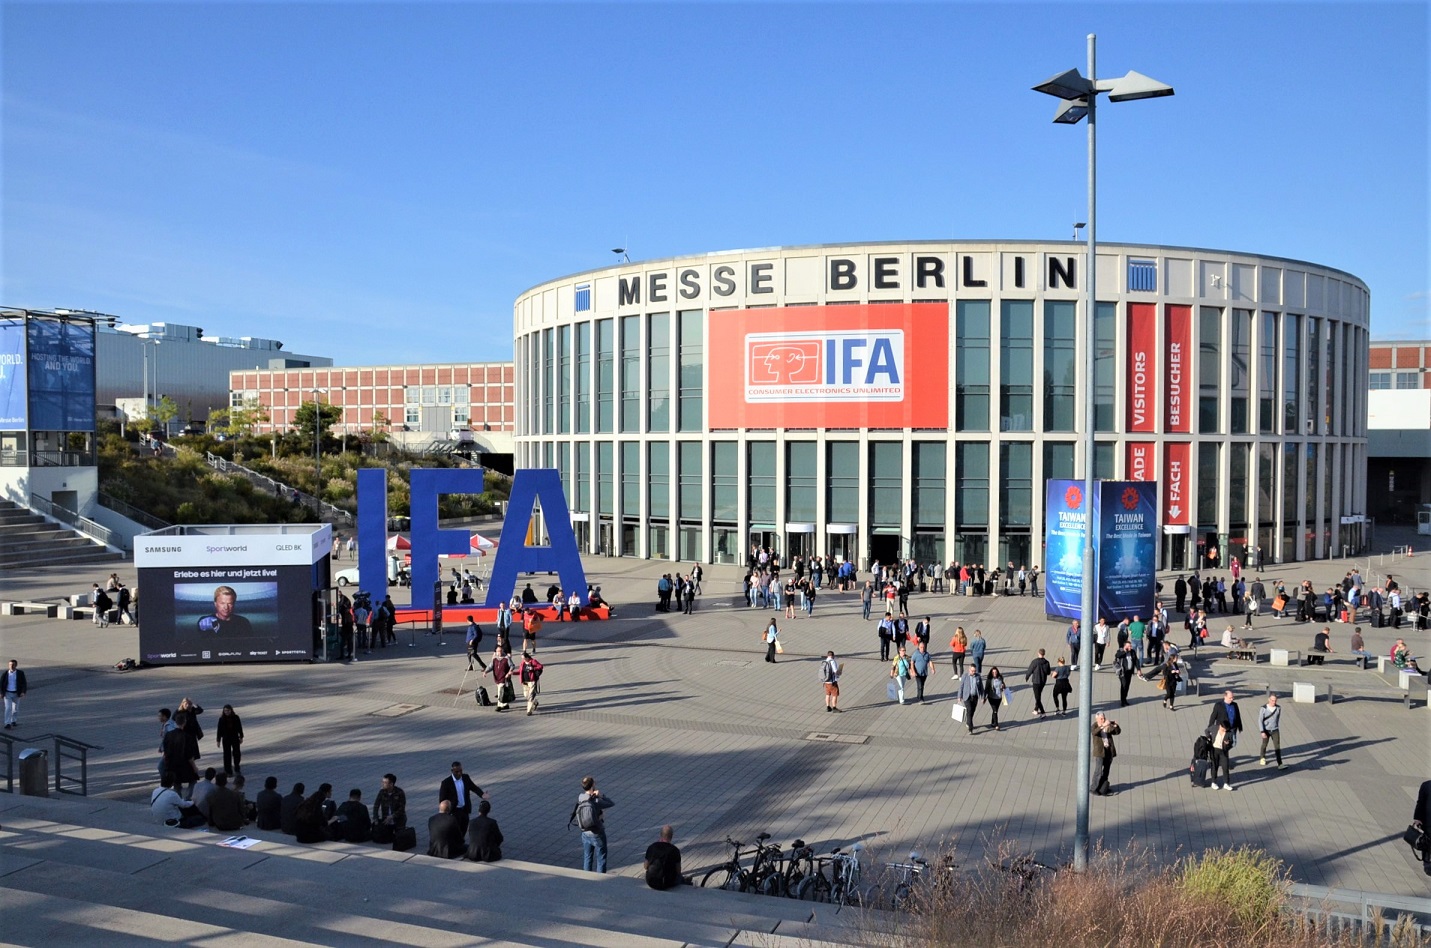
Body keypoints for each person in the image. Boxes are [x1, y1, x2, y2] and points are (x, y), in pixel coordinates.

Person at [573, 775, 616, 873]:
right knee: (601, 858)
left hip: (585, 831)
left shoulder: (580, 797)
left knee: (587, 857)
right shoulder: (596, 800)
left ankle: (586, 877)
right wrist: (600, 796)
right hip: (597, 832)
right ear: (593, 785)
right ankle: (599, 879)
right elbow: (611, 803)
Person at [438, 761, 489, 838]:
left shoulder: (466, 777)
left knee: (464, 828)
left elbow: (474, 787)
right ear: (452, 771)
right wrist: (446, 812)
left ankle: (461, 843)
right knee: (455, 831)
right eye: (457, 772)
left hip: (464, 809)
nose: (459, 773)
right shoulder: (446, 782)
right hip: (454, 811)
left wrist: (482, 794)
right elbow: (442, 799)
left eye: (461, 771)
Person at [1207, 690, 1244, 791]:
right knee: (1217, 761)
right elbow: (1213, 716)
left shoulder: (1235, 705)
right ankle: (1214, 781)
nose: (1232, 699)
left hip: (1232, 729)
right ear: (1225, 697)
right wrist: (1210, 728)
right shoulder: (1219, 705)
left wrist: (1240, 727)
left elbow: (1238, 716)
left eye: (1233, 697)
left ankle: (1226, 782)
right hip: (1221, 730)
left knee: (1233, 743)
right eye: (1230, 697)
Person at [162, 711, 202, 800]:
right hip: (185, 764)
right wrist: (194, 767)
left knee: (176, 783)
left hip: (172, 764)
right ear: (184, 722)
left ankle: (178, 799)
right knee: (193, 780)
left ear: (175, 722)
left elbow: (165, 751)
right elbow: (189, 755)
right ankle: (188, 798)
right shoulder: (187, 736)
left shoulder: (169, 735)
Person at [644, 825, 689, 889]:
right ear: (671, 836)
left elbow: (645, 866)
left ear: (660, 834)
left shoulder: (652, 847)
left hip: (651, 881)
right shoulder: (675, 850)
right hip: (667, 882)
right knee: (680, 877)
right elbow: (678, 870)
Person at [1091, 711, 1121, 796]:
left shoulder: (1107, 726)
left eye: (1104, 718)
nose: (1103, 719)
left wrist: (1115, 726)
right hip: (1100, 752)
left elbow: (1117, 732)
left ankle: (1103, 787)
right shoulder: (1095, 726)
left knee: (1106, 770)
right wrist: (1102, 726)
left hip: (1108, 751)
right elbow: (1094, 732)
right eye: (1101, 718)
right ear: (1097, 719)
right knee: (1098, 771)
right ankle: (1093, 788)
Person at [372, 773, 407, 844]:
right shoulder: (382, 792)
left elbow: (402, 808)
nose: (383, 784)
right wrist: (376, 818)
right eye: (382, 782)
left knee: (399, 839)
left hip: (398, 820)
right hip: (386, 820)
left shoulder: (399, 792)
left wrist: (392, 816)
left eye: (385, 782)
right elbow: (376, 805)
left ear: (391, 784)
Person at [1258, 694, 1286, 770]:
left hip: (1275, 730)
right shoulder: (1263, 708)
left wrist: (1275, 726)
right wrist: (1262, 731)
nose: (1274, 702)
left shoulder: (1278, 708)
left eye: (1275, 700)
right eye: (1272, 700)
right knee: (1264, 744)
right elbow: (1260, 720)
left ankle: (1280, 763)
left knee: (1277, 747)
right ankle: (1262, 758)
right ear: (1269, 699)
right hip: (1266, 730)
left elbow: (1277, 718)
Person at [215, 704, 244, 776]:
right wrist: (218, 740)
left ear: (231, 710)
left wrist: (241, 736)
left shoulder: (236, 718)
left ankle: (237, 767)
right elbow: (219, 730)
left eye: (228, 710)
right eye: (225, 711)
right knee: (227, 754)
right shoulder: (221, 719)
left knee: (236, 753)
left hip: (234, 738)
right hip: (226, 739)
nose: (226, 712)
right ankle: (228, 770)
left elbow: (239, 727)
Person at [1025, 648, 1051, 717]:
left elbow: (1030, 670)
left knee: (1037, 698)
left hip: (1036, 681)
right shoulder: (1047, 662)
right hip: (1043, 681)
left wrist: (1027, 677)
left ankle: (1043, 712)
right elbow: (1048, 672)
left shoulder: (1035, 662)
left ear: (1038, 653)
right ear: (1044, 654)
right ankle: (1036, 709)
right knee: (1039, 695)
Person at [1114, 642, 1141, 708]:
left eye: (1130, 646)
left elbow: (1136, 660)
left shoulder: (1132, 652)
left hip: (1129, 672)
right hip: (1122, 672)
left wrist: (1138, 669)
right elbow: (1117, 655)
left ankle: (1125, 699)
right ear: (1125, 646)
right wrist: (1125, 651)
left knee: (1127, 686)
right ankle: (1122, 701)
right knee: (1124, 685)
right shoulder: (1120, 651)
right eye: (1129, 646)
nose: (1130, 648)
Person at [2, 659, 27, 729]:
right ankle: (7, 723)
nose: (11, 666)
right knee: (8, 708)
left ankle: (13, 720)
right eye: (10, 665)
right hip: (7, 693)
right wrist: (1, 693)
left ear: (16, 665)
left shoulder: (20, 673)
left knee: (15, 709)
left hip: (16, 693)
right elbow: (1, 683)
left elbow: (24, 683)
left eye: (13, 665)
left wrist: (23, 692)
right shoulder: (5, 674)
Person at [1414, 779, 1431, 877]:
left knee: (1427, 844)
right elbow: (1420, 803)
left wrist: (1418, 818)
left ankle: (1427, 864)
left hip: (1427, 821)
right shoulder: (1426, 786)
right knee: (1426, 843)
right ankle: (1427, 864)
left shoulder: (1426, 785)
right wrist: (1418, 819)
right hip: (1427, 822)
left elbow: (1420, 803)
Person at [489, 645, 515, 711]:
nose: (499, 652)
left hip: (504, 678)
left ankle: (499, 706)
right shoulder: (495, 659)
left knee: (500, 691)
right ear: (496, 652)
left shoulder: (506, 658)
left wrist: (509, 672)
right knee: (502, 691)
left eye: (500, 651)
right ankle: (505, 704)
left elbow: (512, 666)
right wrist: (485, 672)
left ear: (503, 651)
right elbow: (490, 666)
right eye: (498, 651)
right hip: (497, 677)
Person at [518, 651, 544, 716]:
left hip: (532, 681)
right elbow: (520, 672)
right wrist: (512, 673)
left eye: (523, 658)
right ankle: (535, 702)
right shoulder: (522, 663)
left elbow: (540, 666)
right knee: (526, 695)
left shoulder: (533, 661)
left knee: (530, 696)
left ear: (527, 657)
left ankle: (529, 710)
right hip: (525, 682)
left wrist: (533, 668)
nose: (523, 660)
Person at [984, 667, 1007, 731]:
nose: (994, 673)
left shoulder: (1000, 678)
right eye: (993, 672)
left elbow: (1004, 685)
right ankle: (996, 725)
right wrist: (984, 697)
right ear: (991, 673)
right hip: (991, 697)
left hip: (999, 697)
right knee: (995, 711)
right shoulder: (989, 680)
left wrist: (1003, 686)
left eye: (995, 672)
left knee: (995, 710)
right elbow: (986, 689)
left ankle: (992, 722)